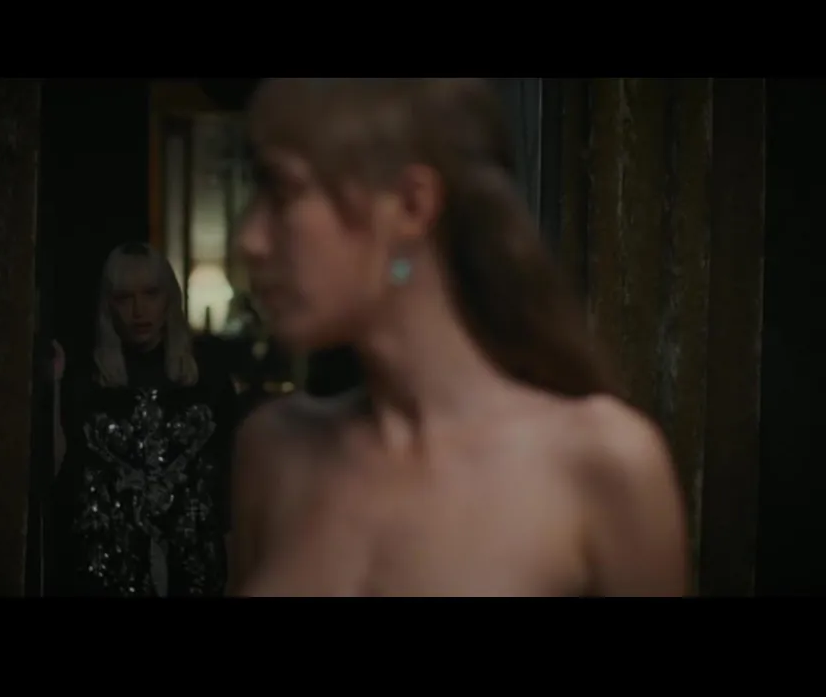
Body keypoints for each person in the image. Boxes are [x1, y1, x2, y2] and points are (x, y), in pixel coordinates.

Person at [228, 78, 688, 597]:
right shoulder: (274, 452)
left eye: (283, 192)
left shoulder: (601, 462)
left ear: (410, 205)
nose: (250, 240)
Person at [51, 241, 238, 597]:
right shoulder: (85, 379)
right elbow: (54, 470)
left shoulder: (208, 375)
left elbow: (230, 478)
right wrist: (54, 386)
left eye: (151, 293)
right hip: (104, 570)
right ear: (109, 305)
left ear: (169, 297)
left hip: (195, 566)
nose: (139, 311)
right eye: (124, 298)